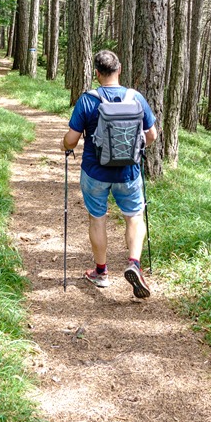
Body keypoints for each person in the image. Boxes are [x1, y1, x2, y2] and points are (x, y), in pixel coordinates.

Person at [62, 50, 158, 298]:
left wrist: (64, 145)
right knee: (134, 217)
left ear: (97, 73)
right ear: (120, 69)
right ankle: (134, 263)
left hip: (95, 172)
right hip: (128, 172)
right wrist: (134, 149)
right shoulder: (135, 98)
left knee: (98, 218)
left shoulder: (88, 100)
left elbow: (71, 140)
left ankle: (101, 272)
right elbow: (152, 135)